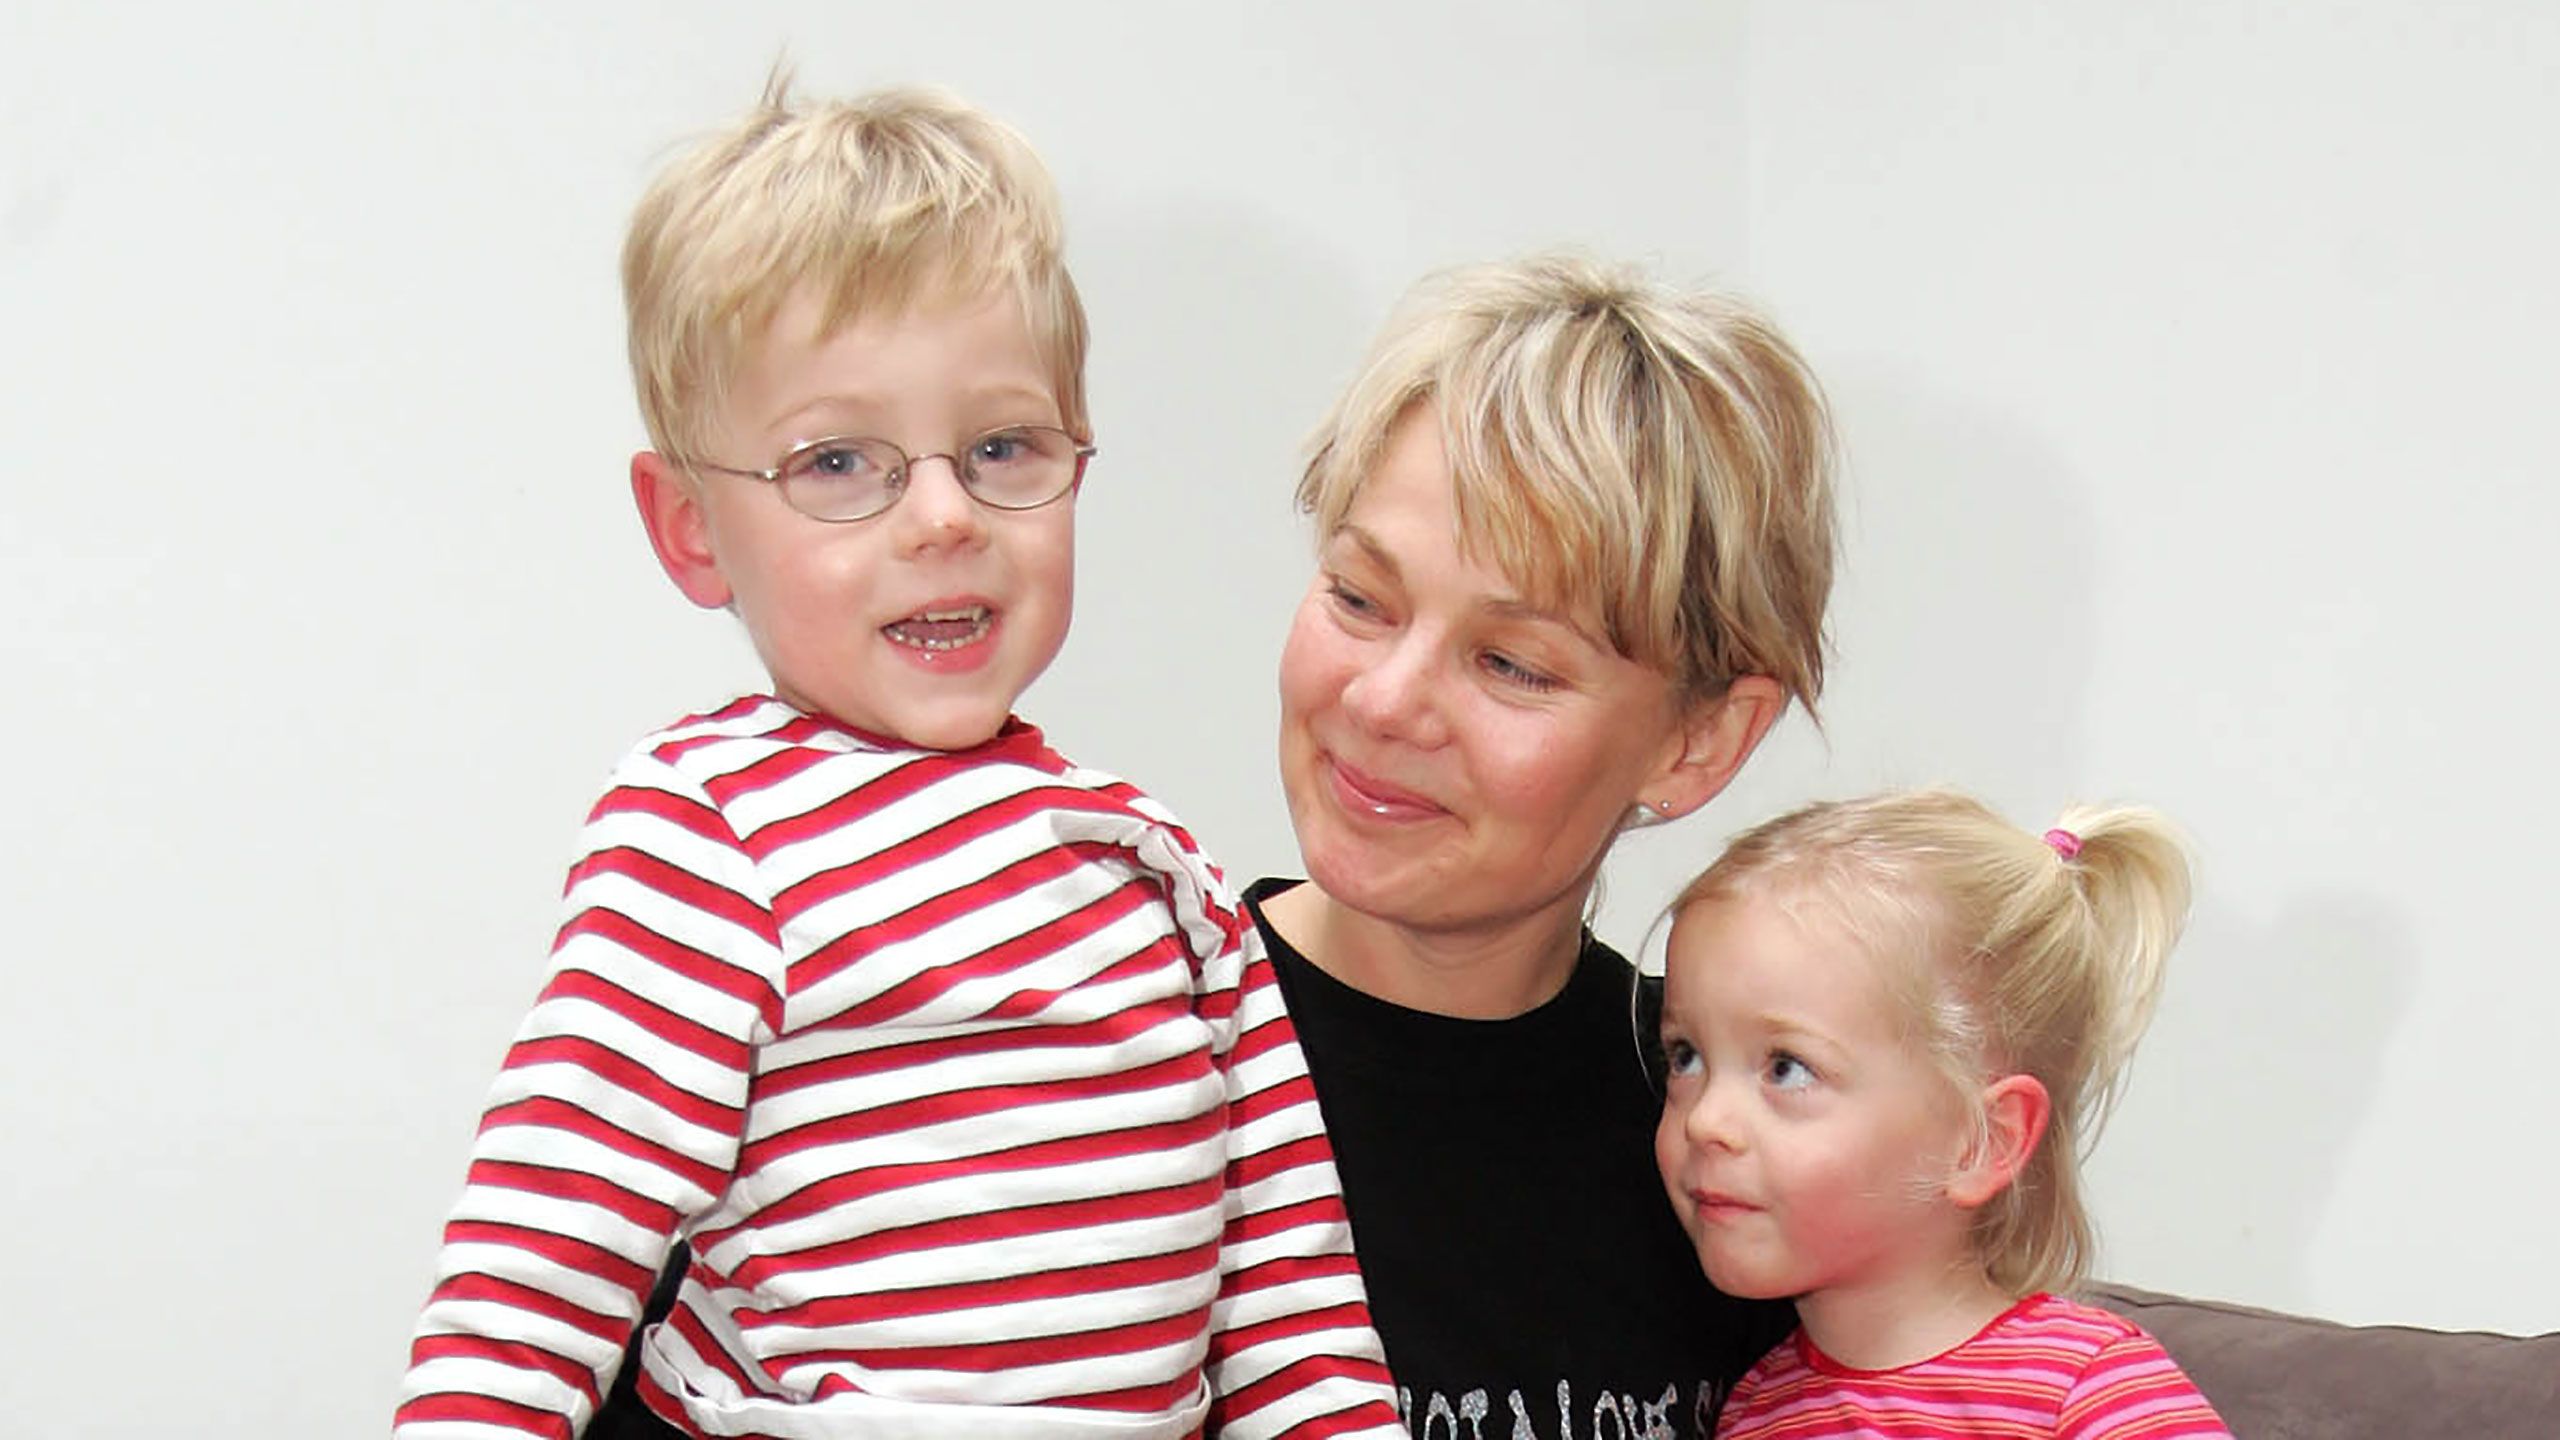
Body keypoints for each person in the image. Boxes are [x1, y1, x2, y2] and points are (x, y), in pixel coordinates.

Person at [596, 254, 1840, 1438]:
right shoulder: (1038, 1023)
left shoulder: (1740, 1137)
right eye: (1358, 597)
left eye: (1510, 663)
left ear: (1701, 740)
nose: (1383, 700)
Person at [394, 79, 1403, 1440]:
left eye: (1000, 446)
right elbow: (534, 1281)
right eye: (838, 462)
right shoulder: (709, 836)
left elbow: (1301, 1336)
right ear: (691, 528)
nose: (942, 515)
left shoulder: (1161, 874)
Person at [1653, 790, 2233, 1438]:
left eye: (1786, 1067)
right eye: (1686, 1057)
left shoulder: (2088, 1388)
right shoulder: (1754, 1408)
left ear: (1981, 1140)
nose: (1706, 1120)